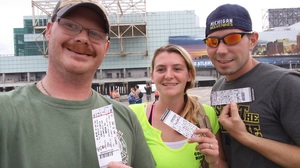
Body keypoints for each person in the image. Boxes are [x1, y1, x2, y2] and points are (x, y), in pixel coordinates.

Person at [0, 0, 155, 168]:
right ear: (49, 30)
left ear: (106, 47)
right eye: (71, 26)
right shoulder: (5, 111)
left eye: (95, 33)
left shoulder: (125, 117)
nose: (82, 38)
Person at [204, 4, 300, 168]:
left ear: (252, 40)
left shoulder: (286, 84)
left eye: (232, 39)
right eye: (213, 41)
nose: (221, 50)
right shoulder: (218, 89)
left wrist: (245, 136)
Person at [129, 44, 228, 168]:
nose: (169, 75)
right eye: (161, 69)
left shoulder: (206, 115)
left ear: (189, 75)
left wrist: (214, 161)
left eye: (177, 69)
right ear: (152, 76)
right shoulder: (132, 115)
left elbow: (222, 164)